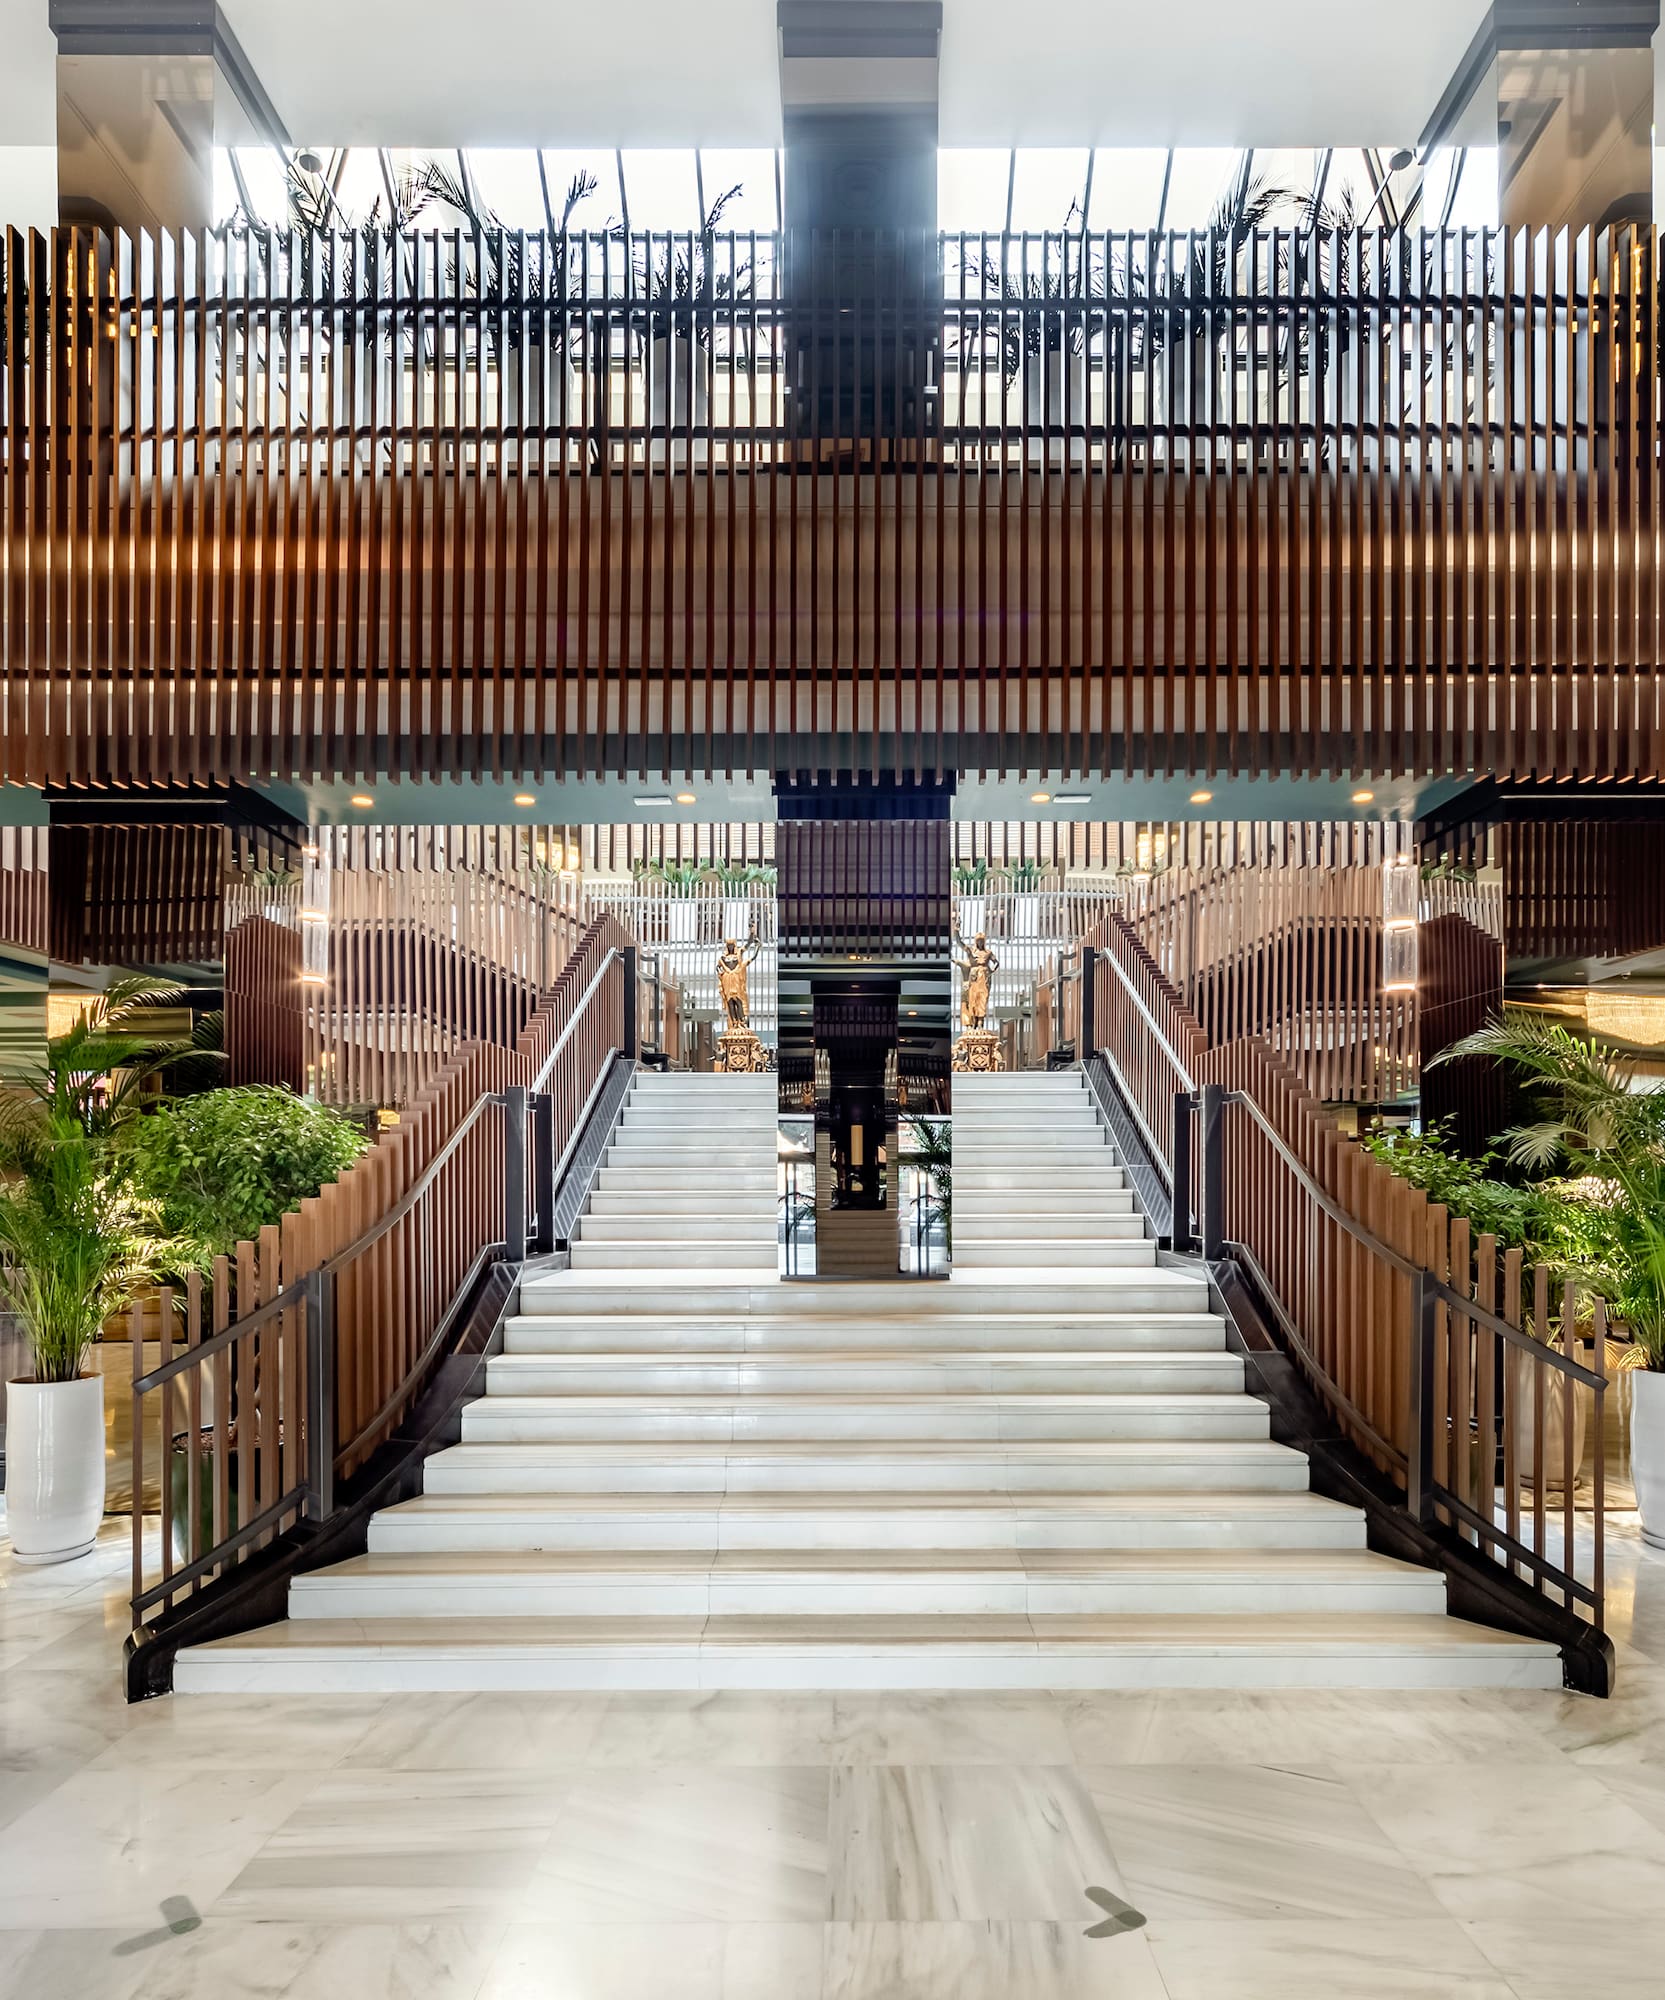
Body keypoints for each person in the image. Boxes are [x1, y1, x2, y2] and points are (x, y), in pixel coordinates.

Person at [952, 925, 999, 1032]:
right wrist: (956, 931)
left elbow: (996, 963)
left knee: (983, 999)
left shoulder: (988, 953)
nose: (980, 943)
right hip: (974, 977)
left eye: (982, 941)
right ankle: (973, 1023)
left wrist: (991, 971)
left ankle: (980, 1022)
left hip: (985, 977)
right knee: (973, 999)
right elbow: (959, 943)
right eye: (979, 941)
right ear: (976, 941)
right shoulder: (971, 951)